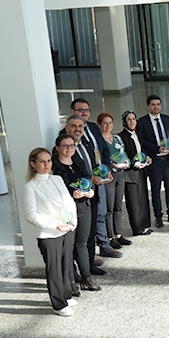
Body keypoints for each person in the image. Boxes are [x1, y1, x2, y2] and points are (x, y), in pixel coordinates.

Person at [23, 147, 78, 316]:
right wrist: (55, 225)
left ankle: (66, 295)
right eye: (42, 161)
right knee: (54, 270)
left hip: (67, 229)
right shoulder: (30, 187)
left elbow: (69, 201)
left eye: (48, 161)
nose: (47, 165)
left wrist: (73, 220)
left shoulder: (57, 179)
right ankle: (58, 304)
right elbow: (31, 215)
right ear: (33, 164)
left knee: (65, 264)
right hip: (49, 233)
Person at [68, 99, 120, 260]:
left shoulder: (92, 128)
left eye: (87, 110)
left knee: (101, 213)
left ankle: (104, 246)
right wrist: (90, 178)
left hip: (99, 178)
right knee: (88, 220)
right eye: (80, 110)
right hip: (84, 184)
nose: (84, 113)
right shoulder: (67, 137)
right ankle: (90, 255)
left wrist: (107, 170)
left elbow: (103, 150)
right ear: (72, 111)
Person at [50, 134, 100, 292]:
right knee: (68, 247)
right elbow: (54, 190)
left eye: (71, 145)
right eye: (65, 146)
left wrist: (91, 191)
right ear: (57, 148)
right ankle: (71, 281)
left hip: (84, 208)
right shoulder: (54, 166)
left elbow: (88, 179)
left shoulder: (78, 161)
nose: (69, 149)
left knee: (82, 244)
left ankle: (86, 278)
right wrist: (72, 194)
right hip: (66, 212)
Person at [63, 115, 112, 274]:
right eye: (73, 126)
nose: (78, 129)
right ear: (66, 128)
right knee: (77, 238)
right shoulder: (65, 149)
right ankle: (75, 273)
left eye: (81, 126)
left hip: (92, 192)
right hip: (76, 199)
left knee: (90, 232)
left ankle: (89, 264)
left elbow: (94, 164)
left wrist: (102, 174)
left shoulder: (87, 144)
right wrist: (89, 180)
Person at [137, 94, 169, 227]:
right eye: (153, 105)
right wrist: (156, 148)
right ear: (148, 106)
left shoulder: (167, 119)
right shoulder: (142, 122)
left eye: (158, 104)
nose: (156, 107)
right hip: (155, 160)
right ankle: (158, 216)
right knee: (156, 190)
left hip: (168, 159)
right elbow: (142, 142)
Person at [97, 113, 131, 249]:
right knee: (109, 207)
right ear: (99, 125)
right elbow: (99, 159)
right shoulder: (98, 141)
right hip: (109, 176)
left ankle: (118, 234)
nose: (108, 125)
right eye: (105, 123)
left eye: (110, 122)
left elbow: (124, 154)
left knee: (118, 205)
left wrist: (126, 162)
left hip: (120, 174)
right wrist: (110, 166)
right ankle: (109, 236)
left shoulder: (117, 138)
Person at [118, 111, 153, 236]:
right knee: (133, 202)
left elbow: (141, 150)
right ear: (124, 122)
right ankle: (137, 228)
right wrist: (134, 163)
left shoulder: (138, 133)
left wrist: (146, 157)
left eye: (133, 119)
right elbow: (122, 156)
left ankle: (145, 225)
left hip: (141, 170)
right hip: (130, 173)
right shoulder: (121, 137)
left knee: (143, 199)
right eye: (129, 119)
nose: (132, 121)